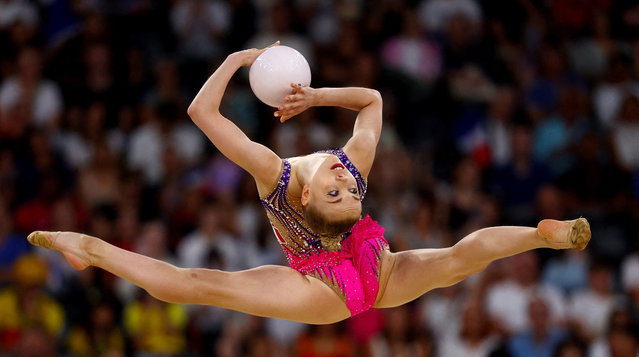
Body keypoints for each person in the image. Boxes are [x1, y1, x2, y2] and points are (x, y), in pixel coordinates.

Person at [27, 42, 592, 325]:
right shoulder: (333, 166)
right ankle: (543, 234)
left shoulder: (279, 176)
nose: (347, 183)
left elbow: (204, 112)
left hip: (349, 280)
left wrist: (241, 64)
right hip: (355, 278)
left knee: (200, 283)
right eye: (346, 192)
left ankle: (94, 250)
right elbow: (371, 102)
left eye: (341, 191)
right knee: (460, 256)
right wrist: (306, 92)